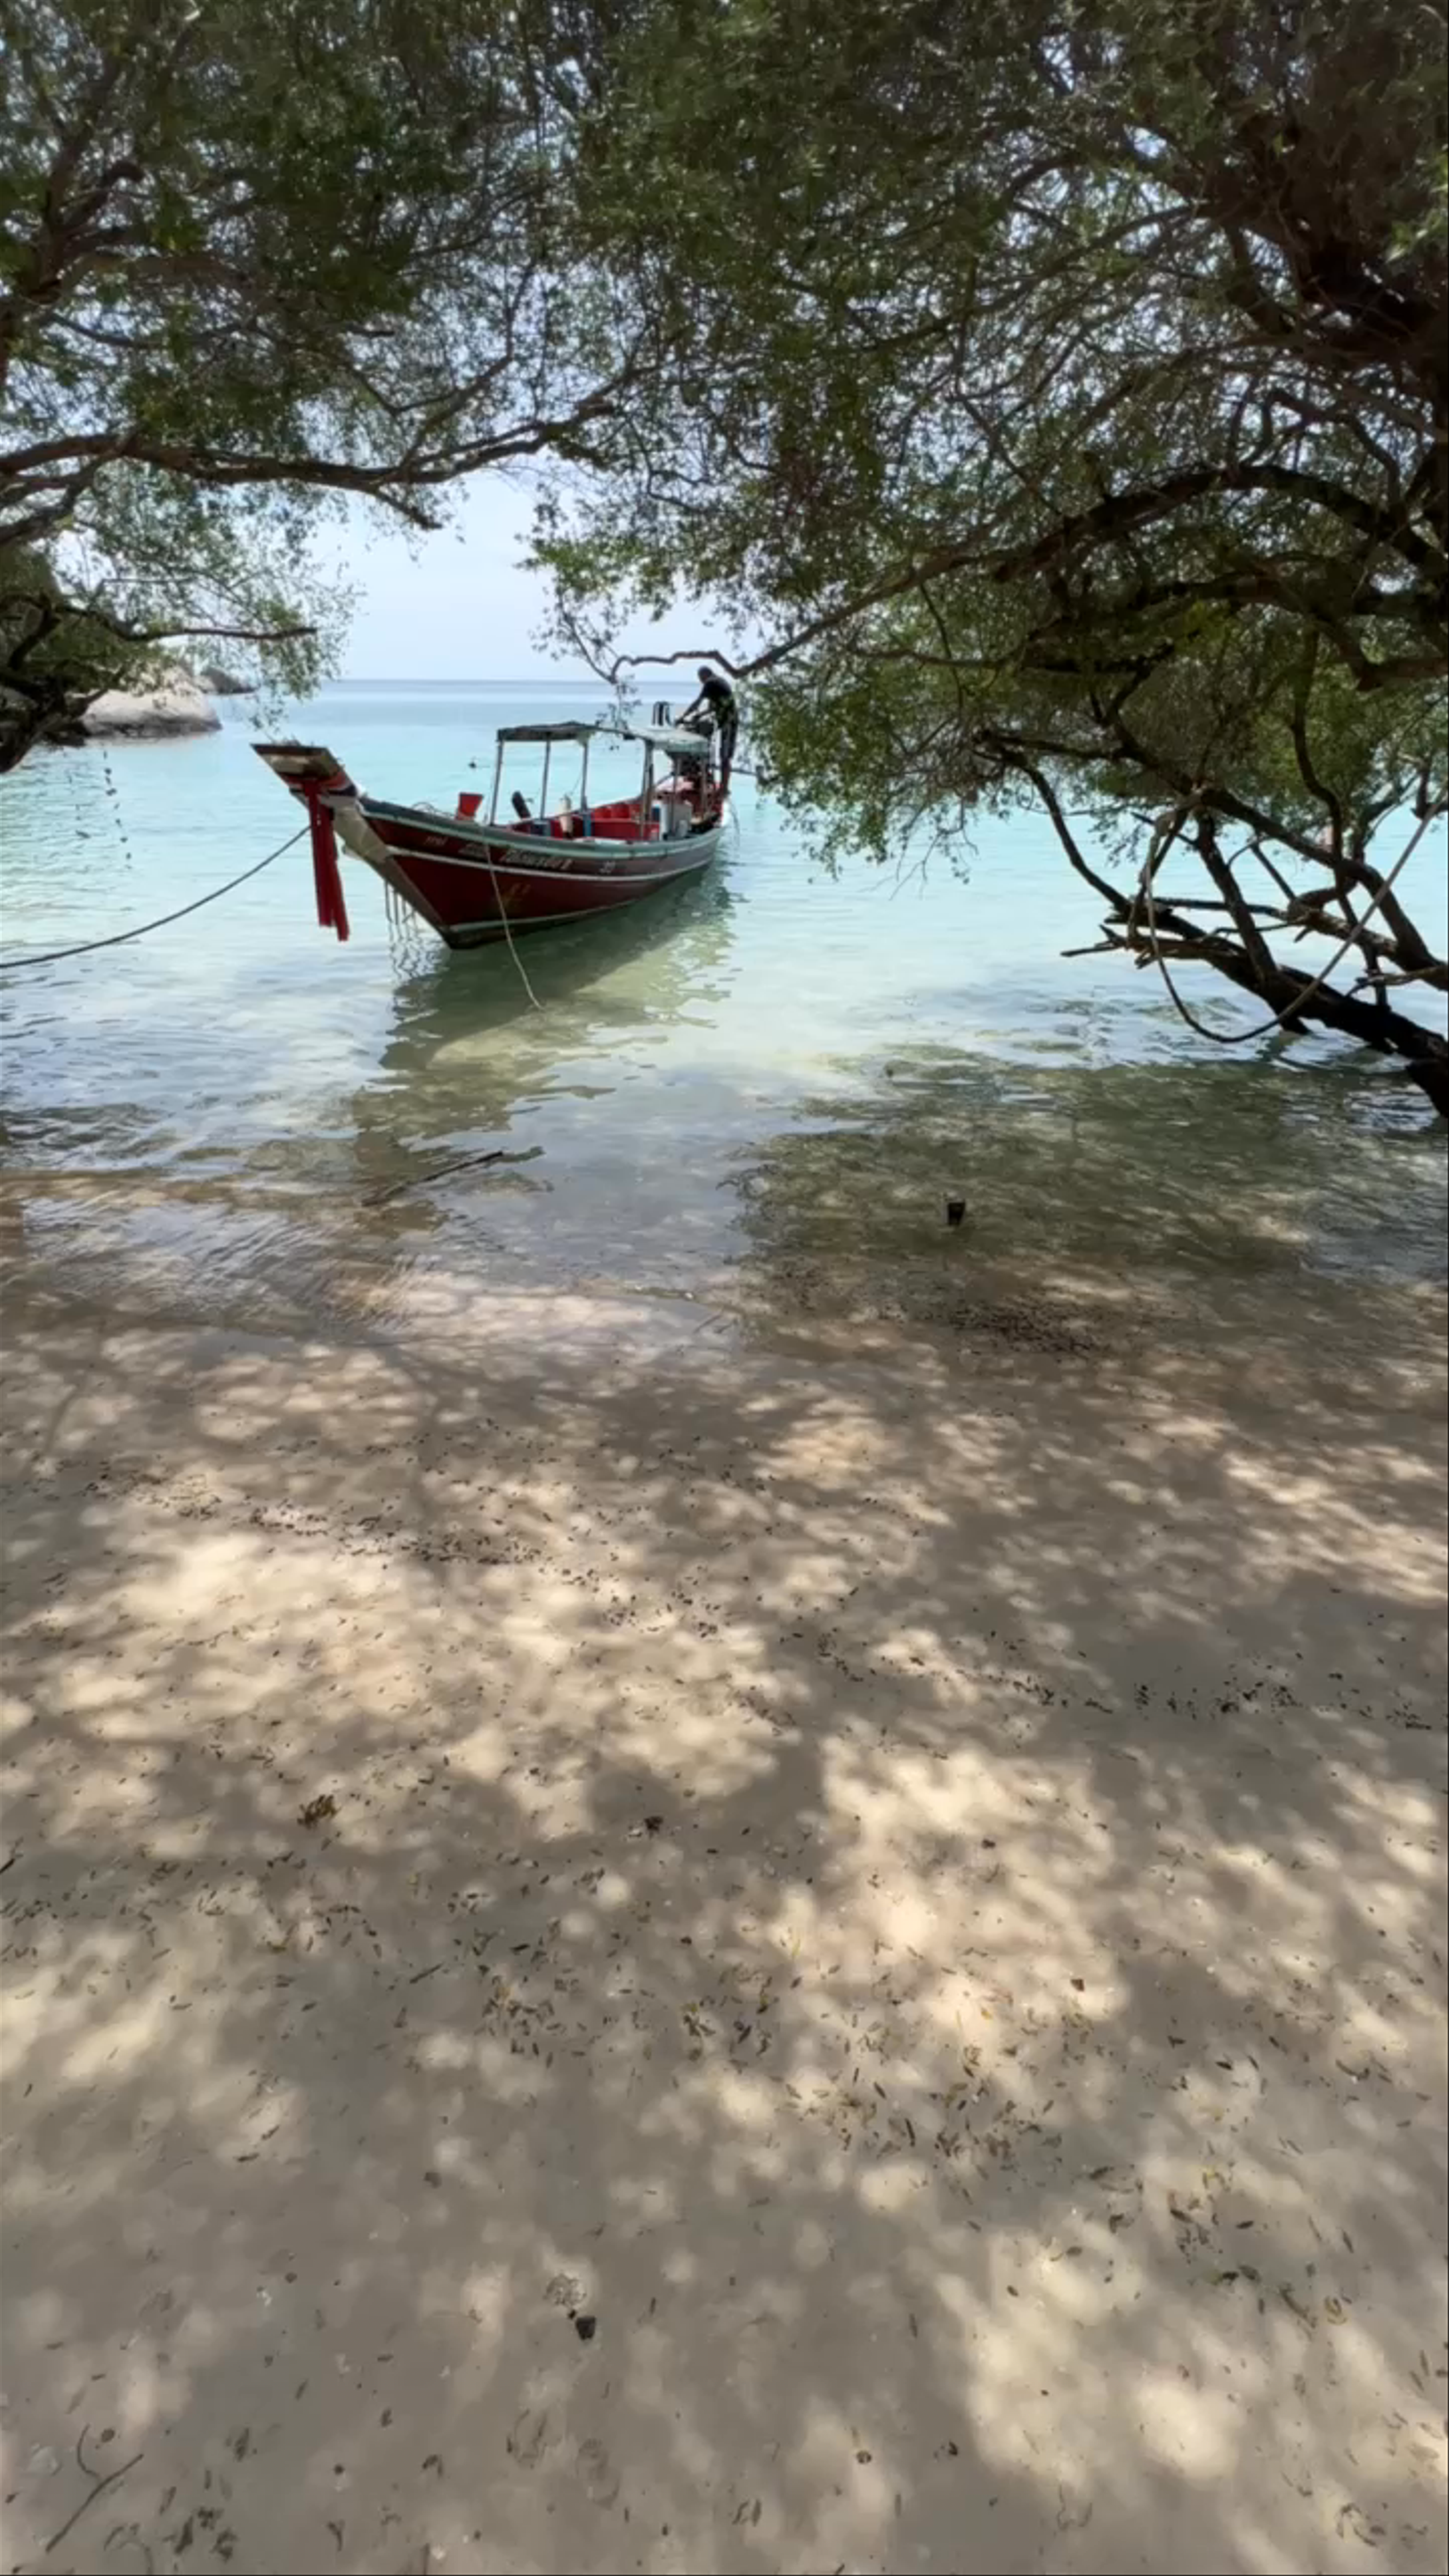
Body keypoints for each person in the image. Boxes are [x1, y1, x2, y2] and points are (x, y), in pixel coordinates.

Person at [678, 665, 740, 788]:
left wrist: (683, 717)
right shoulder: (719, 682)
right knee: (725, 756)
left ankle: (724, 788)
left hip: (729, 722)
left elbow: (697, 703)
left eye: (701, 679)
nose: (701, 682)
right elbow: (712, 708)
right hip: (729, 721)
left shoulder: (710, 683)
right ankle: (707, 777)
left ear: (705, 675)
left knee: (725, 757)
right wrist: (700, 715)